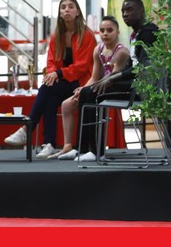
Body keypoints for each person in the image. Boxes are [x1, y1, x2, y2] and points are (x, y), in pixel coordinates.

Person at [3, 0, 96, 158]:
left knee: (47, 89)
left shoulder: (87, 35)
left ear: (78, 12)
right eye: (63, 7)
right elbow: (51, 61)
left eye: (71, 6)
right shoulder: (56, 36)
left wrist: (57, 73)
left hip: (83, 83)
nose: (66, 10)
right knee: (50, 97)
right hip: (63, 83)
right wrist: (52, 74)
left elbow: (82, 66)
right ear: (59, 13)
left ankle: (28, 129)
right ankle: (49, 144)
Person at [54, 15, 130, 161]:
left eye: (110, 30)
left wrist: (87, 90)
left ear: (117, 32)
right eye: (102, 30)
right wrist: (83, 88)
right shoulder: (98, 49)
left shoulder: (121, 52)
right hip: (101, 85)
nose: (105, 34)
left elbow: (113, 78)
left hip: (116, 87)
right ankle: (77, 147)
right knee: (67, 104)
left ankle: (95, 149)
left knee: (87, 94)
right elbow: (94, 77)